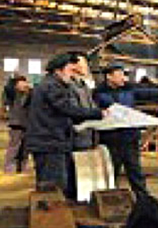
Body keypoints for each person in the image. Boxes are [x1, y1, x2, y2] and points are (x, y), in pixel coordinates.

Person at [25, 53, 105, 198]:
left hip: (51, 142)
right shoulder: (52, 86)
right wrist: (98, 114)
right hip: (49, 142)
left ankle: (49, 209)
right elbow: (67, 109)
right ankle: (49, 211)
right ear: (58, 70)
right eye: (70, 70)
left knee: (54, 184)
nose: (72, 74)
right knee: (54, 186)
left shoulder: (51, 84)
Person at [93, 64, 158, 198]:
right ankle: (109, 199)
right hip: (110, 139)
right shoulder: (98, 93)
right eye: (120, 75)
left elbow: (147, 93)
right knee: (111, 172)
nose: (123, 78)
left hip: (129, 138)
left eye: (124, 75)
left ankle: (143, 199)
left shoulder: (129, 89)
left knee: (135, 171)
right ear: (109, 76)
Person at [3, 75, 31, 173]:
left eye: (25, 82)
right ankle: (9, 166)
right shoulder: (13, 94)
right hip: (16, 124)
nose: (24, 84)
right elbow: (8, 88)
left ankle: (23, 166)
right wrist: (13, 79)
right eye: (21, 82)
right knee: (14, 147)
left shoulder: (29, 94)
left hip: (27, 124)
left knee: (25, 148)